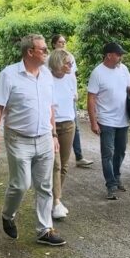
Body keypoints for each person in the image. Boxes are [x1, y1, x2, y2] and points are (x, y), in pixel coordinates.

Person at [0, 34, 66, 246]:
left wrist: (54, 134)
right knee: (21, 184)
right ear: (30, 52)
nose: (47, 53)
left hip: (44, 138)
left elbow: (50, 107)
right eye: (43, 50)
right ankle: (8, 214)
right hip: (18, 138)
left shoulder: (47, 75)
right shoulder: (9, 75)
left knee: (44, 186)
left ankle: (44, 230)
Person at [87, 42, 130, 201]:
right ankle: (110, 184)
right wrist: (93, 122)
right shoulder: (97, 73)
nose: (121, 57)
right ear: (109, 55)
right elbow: (91, 98)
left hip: (123, 119)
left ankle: (117, 177)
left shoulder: (123, 69)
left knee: (121, 151)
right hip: (106, 120)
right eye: (118, 54)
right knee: (107, 154)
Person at [50, 34, 93, 168]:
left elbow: (72, 76)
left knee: (75, 126)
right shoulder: (49, 61)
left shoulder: (69, 57)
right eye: (60, 42)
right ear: (54, 44)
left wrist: (74, 92)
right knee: (56, 164)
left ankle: (79, 156)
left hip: (68, 102)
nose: (63, 44)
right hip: (53, 114)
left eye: (64, 42)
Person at [48, 49, 76, 220]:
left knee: (64, 165)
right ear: (58, 63)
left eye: (71, 63)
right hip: (51, 126)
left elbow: (73, 97)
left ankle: (53, 199)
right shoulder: (46, 78)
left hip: (68, 123)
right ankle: (57, 202)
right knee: (55, 164)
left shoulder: (71, 77)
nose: (70, 66)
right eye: (67, 63)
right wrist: (52, 132)